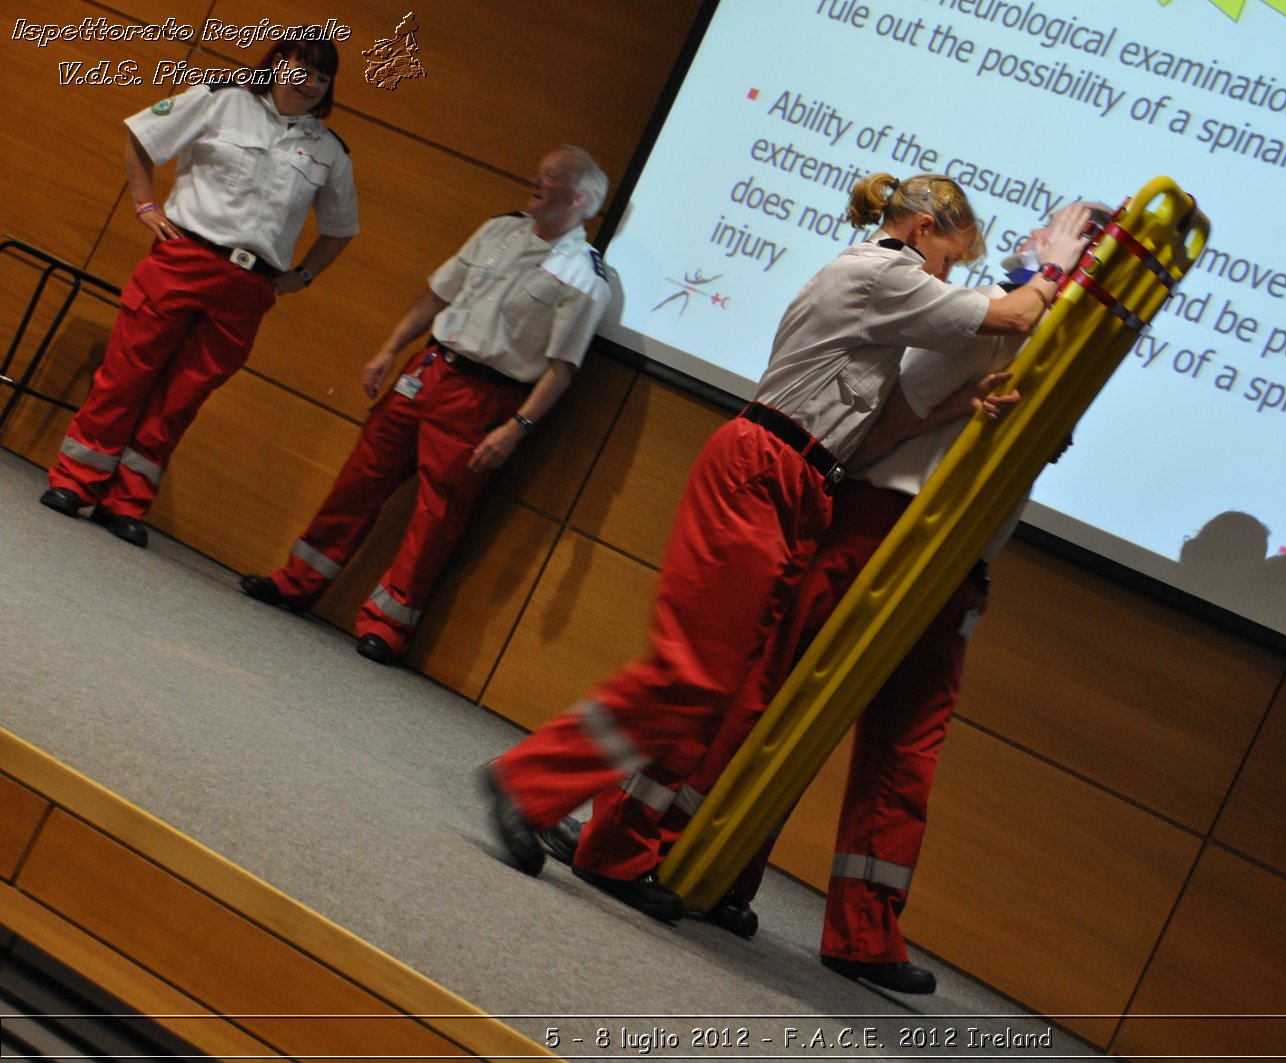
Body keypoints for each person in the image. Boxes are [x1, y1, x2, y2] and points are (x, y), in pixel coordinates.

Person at [481, 172, 1101, 923]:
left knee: (710, 678)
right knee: (694, 671)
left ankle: (581, 814)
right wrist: (1058, 261)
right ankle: (529, 781)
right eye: (954, 253)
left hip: (798, 476)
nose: (952, 275)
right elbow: (1008, 312)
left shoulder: (885, 274)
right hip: (765, 465)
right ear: (924, 228)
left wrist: (965, 403)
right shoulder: (885, 270)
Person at [238, 147, 611, 664]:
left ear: (580, 198)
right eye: (539, 170)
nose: (535, 179)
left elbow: (562, 368)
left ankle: (388, 625)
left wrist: (516, 428)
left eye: (550, 176)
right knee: (360, 478)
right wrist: (389, 350)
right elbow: (437, 296)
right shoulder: (499, 230)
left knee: (437, 513)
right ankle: (296, 581)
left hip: (485, 395)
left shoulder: (586, 275)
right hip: (430, 367)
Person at [40, 35, 358, 548]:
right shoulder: (221, 99)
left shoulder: (328, 151)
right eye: (304, 69)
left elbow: (342, 227)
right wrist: (145, 206)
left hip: (249, 288)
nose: (312, 83)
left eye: (323, 77)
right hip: (184, 259)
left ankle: (126, 502)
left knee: (180, 400)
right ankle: (76, 482)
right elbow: (142, 136)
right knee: (128, 373)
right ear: (279, 64)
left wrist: (302, 275)